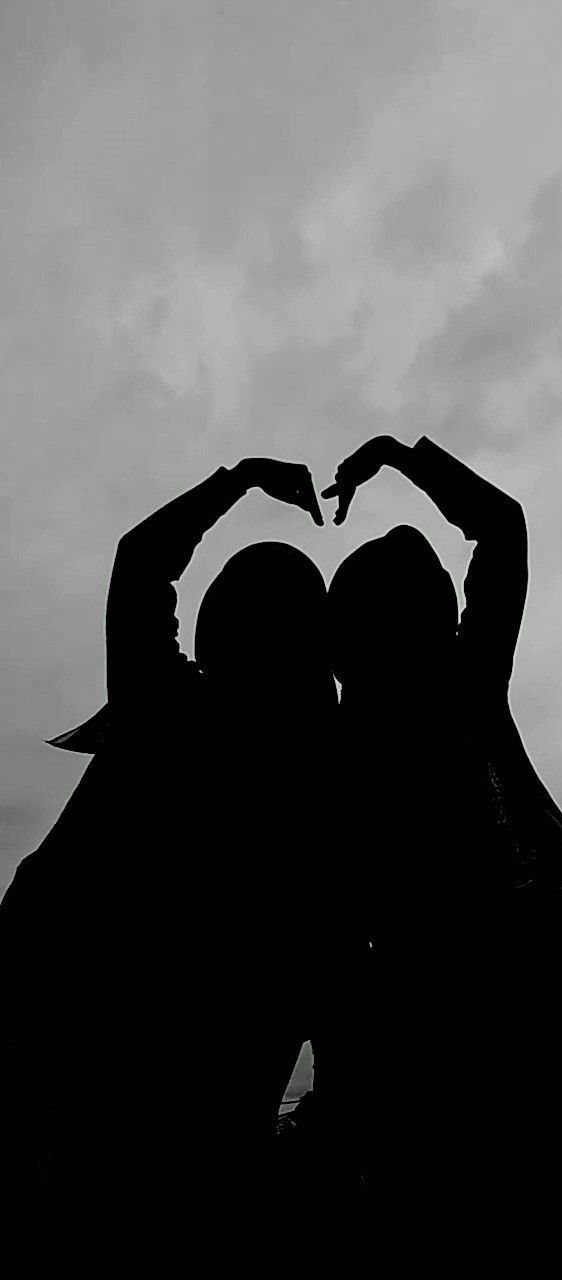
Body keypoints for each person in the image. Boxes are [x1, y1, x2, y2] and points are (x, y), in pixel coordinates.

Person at [0, 455, 340, 1249]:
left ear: (220, 626)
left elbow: (141, 559)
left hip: (71, 1096)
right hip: (200, 1147)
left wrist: (241, 479)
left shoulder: (163, 710)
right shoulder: (323, 778)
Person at [322, 435, 562, 1215]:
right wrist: (400, 457)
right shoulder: (462, 682)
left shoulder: (350, 741)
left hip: (461, 1047)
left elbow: (338, 941)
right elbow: (502, 525)